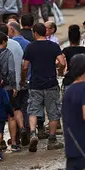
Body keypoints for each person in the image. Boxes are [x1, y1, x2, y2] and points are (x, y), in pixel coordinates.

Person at [21, 23, 66, 152]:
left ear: (35, 33)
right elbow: (62, 62)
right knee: (53, 112)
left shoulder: (30, 47)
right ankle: (52, 140)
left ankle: (33, 134)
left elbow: (25, 67)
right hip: (51, 83)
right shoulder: (53, 46)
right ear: (45, 33)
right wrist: (60, 71)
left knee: (33, 110)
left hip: (35, 84)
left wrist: (24, 80)